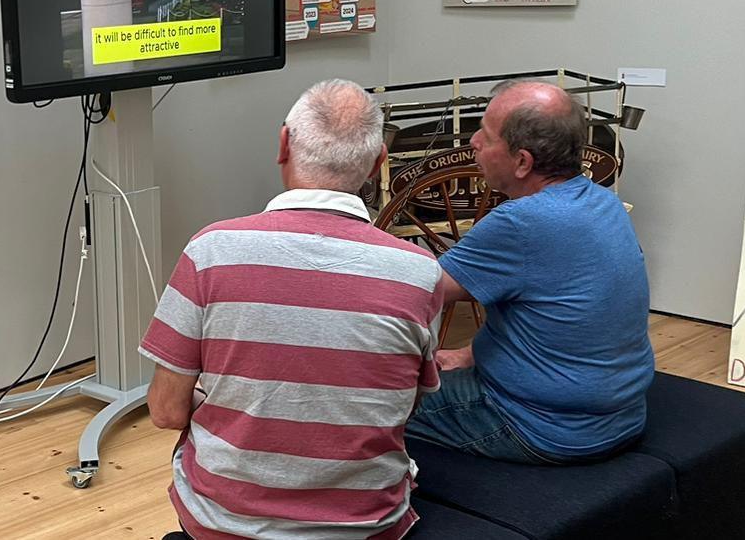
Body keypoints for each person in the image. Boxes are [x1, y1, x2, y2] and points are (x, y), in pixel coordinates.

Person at [142, 79, 443, 540]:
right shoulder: (419, 272)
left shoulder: (211, 250)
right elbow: (403, 405)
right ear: (380, 161)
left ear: (283, 143)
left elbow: (164, 411)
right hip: (367, 528)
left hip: (223, 526)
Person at [407, 80, 654, 464]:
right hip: (620, 417)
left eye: (486, 137)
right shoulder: (603, 202)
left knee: (360, 400)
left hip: (541, 427)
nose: (473, 142)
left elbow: (417, 290)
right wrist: (473, 353)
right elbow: (558, 312)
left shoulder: (522, 222)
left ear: (522, 162)